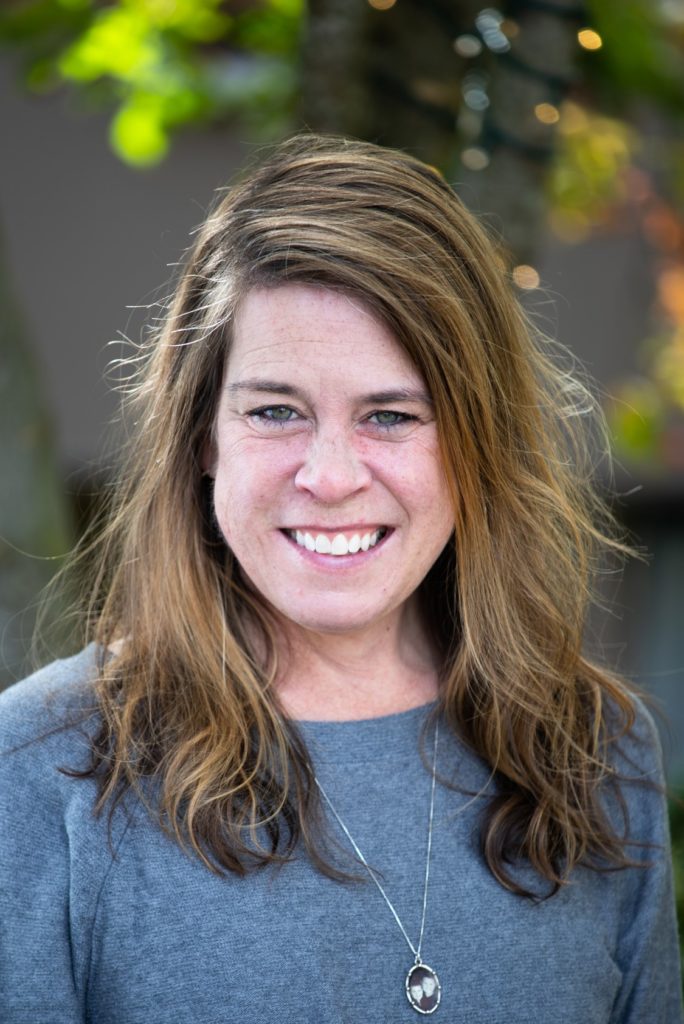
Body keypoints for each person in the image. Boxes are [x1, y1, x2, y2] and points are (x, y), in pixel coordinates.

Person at [0, 134, 681, 1024]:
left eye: (391, 416)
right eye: (276, 410)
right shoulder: (36, 770)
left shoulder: (598, 753)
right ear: (204, 436)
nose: (329, 476)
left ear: (476, 442)